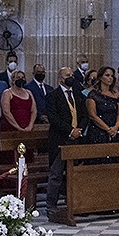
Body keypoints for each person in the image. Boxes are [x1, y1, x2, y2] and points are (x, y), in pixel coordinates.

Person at [44, 67, 84, 209]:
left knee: (76, 173)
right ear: (61, 78)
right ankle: (51, 205)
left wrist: (79, 131)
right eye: (68, 75)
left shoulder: (78, 94)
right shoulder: (52, 96)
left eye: (72, 75)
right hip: (60, 139)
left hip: (77, 139)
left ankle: (74, 202)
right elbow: (54, 119)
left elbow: (84, 115)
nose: (71, 77)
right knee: (56, 174)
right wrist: (70, 131)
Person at [84, 66, 119, 150]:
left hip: (115, 129)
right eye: (107, 75)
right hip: (99, 131)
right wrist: (108, 129)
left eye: (112, 76)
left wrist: (115, 127)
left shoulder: (116, 94)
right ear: (100, 77)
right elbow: (92, 115)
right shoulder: (93, 94)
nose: (110, 78)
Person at [1, 69, 38, 133]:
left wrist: (30, 125)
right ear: (13, 80)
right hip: (11, 128)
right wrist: (18, 127)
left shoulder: (28, 92)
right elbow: (6, 112)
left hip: (27, 127)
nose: (21, 79)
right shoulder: (7, 92)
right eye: (18, 77)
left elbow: (34, 111)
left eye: (22, 77)